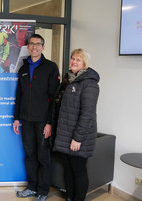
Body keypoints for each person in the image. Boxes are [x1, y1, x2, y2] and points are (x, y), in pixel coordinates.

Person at [13, 34, 60, 201]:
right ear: (28, 46)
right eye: (32, 44)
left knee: (43, 156)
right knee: (30, 155)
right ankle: (32, 187)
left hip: (42, 121)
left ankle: (43, 191)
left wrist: (49, 122)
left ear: (43, 47)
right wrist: (17, 118)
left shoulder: (50, 67)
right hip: (26, 119)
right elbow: (19, 95)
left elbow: (54, 97)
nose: (34, 47)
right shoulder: (23, 69)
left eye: (38, 44)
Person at [52, 48, 100, 201]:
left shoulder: (89, 84)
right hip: (65, 134)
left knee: (78, 171)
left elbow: (87, 114)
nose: (73, 61)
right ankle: (70, 198)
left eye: (78, 59)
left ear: (85, 63)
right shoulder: (67, 81)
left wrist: (77, 139)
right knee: (68, 168)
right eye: (73, 58)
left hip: (78, 138)